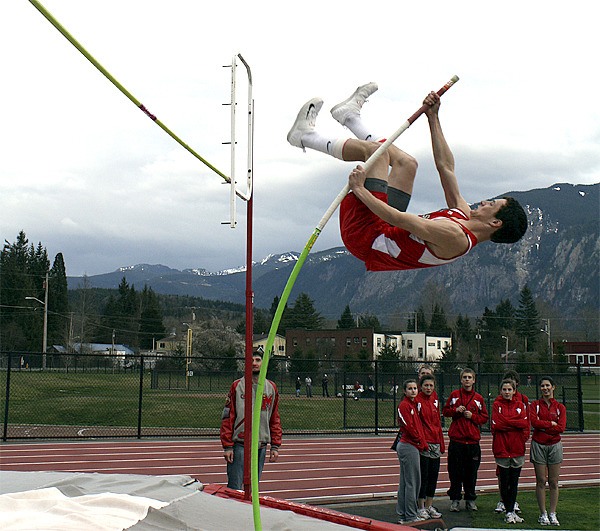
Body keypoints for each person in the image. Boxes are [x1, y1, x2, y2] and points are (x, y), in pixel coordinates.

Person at [286, 83, 528, 273]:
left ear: (496, 223)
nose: (485, 202)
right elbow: (446, 168)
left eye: (492, 205)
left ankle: (305, 137)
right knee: (407, 163)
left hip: (366, 236)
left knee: (374, 154)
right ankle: (348, 117)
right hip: (382, 224)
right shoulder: (463, 214)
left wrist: (359, 189)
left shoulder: (456, 238)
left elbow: (403, 220)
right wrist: (433, 117)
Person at [220, 351, 282, 490]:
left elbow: (274, 417)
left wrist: (275, 445)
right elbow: (228, 417)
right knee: (235, 487)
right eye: (251, 359)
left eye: (258, 360)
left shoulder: (271, 388)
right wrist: (228, 446)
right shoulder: (237, 386)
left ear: (263, 362)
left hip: (260, 446)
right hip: (240, 444)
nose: (254, 363)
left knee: (253, 488)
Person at [442, 368, 489, 512]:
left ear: (474, 380)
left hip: (473, 442)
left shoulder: (479, 398)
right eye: (465, 377)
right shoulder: (454, 395)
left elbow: (484, 418)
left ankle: (470, 499)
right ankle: (455, 499)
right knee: (455, 472)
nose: (467, 380)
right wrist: (455, 410)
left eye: (470, 377)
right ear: (461, 380)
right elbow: (445, 411)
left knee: (471, 473)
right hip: (457, 442)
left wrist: (473, 417)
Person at [491, 378, 529, 524]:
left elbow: (523, 423)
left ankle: (511, 510)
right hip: (502, 448)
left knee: (514, 482)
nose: (507, 392)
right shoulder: (496, 404)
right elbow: (496, 424)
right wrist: (514, 423)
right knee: (504, 481)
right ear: (501, 390)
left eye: (510, 389)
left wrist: (507, 422)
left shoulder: (520, 405)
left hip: (517, 448)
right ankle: (508, 511)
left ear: (514, 391)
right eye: (504, 389)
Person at [530, 377, 566, 526]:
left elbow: (561, 427)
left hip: (555, 445)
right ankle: (543, 513)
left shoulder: (560, 407)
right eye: (543, 386)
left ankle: (552, 513)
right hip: (539, 444)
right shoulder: (535, 405)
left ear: (553, 387)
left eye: (548, 386)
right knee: (541, 480)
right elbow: (534, 422)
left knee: (553, 481)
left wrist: (543, 425)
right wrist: (549, 424)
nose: (545, 388)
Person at [395, 379, 429, 525]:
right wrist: (419, 441)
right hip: (408, 446)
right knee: (412, 482)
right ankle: (410, 515)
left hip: (412, 445)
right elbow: (409, 426)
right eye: (410, 388)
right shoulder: (404, 405)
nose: (413, 391)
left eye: (415, 388)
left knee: (406, 482)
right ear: (404, 391)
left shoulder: (414, 405)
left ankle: (403, 514)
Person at [416, 374, 445, 520]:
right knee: (424, 476)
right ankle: (420, 506)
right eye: (426, 385)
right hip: (425, 443)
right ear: (421, 386)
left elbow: (438, 423)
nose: (428, 388)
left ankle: (429, 505)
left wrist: (441, 442)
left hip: (435, 442)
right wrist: (423, 442)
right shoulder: (417, 400)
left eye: (431, 385)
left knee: (434, 476)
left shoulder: (435, 399)